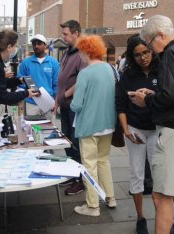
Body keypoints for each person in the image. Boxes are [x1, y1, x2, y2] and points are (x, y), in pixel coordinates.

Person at [130, 15, 174, 234]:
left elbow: (169, 96)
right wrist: (156, 93)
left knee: (162, 196)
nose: (152, 50)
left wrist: (147, 99)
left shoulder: (170, 53)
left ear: (159, 36)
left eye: (150, 45)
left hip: (173, 133)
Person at [115, 36, 159, 234]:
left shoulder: (162, 70)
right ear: (132, 57)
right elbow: (121, 106)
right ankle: (141, 218)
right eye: (137, 54)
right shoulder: (128, 76)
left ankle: (164, 217)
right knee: (136, 173)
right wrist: (125, 130)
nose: (143, 57)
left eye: (146, 52)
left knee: (160, 175)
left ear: (151, 51)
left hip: (158, 129)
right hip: (136, 129)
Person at [71, 35, 117, 217]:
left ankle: (92, 206)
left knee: (89, 165)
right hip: (107, 124)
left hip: (89, 125)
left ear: (86, 51)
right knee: (103, 161)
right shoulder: (109, 69)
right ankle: (110, 197)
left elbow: (76, 105)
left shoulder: (85, 73)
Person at [54, 20, 87, 195]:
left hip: (75, 107)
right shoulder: (67, 52)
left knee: (75, 143)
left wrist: (64, 95)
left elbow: (82, 80)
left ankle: (80, 180)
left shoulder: (83, 53)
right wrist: (58, 100)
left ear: (76, 33)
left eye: (66, 34)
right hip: (64, 106)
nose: (63, 37)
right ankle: (72, 175)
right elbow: (63, 78)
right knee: (66, 141)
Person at [0, 30, 38, 136]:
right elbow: (3, 96)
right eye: (15, 46)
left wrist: (17, 80)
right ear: (9, 46)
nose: (15, 50)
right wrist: (26, 93)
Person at [17, 34, 60, 120]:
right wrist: (29, 90)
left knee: (49, 130)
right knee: (31, 130)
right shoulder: (26, 63)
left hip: (48, 103)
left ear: (45, 45)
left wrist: (55, 102)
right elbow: (20, 82)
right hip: (31, 103)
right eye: (34, 44)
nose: (36, 46)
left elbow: (57, 84)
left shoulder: (53, 63)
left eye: (39, 43)